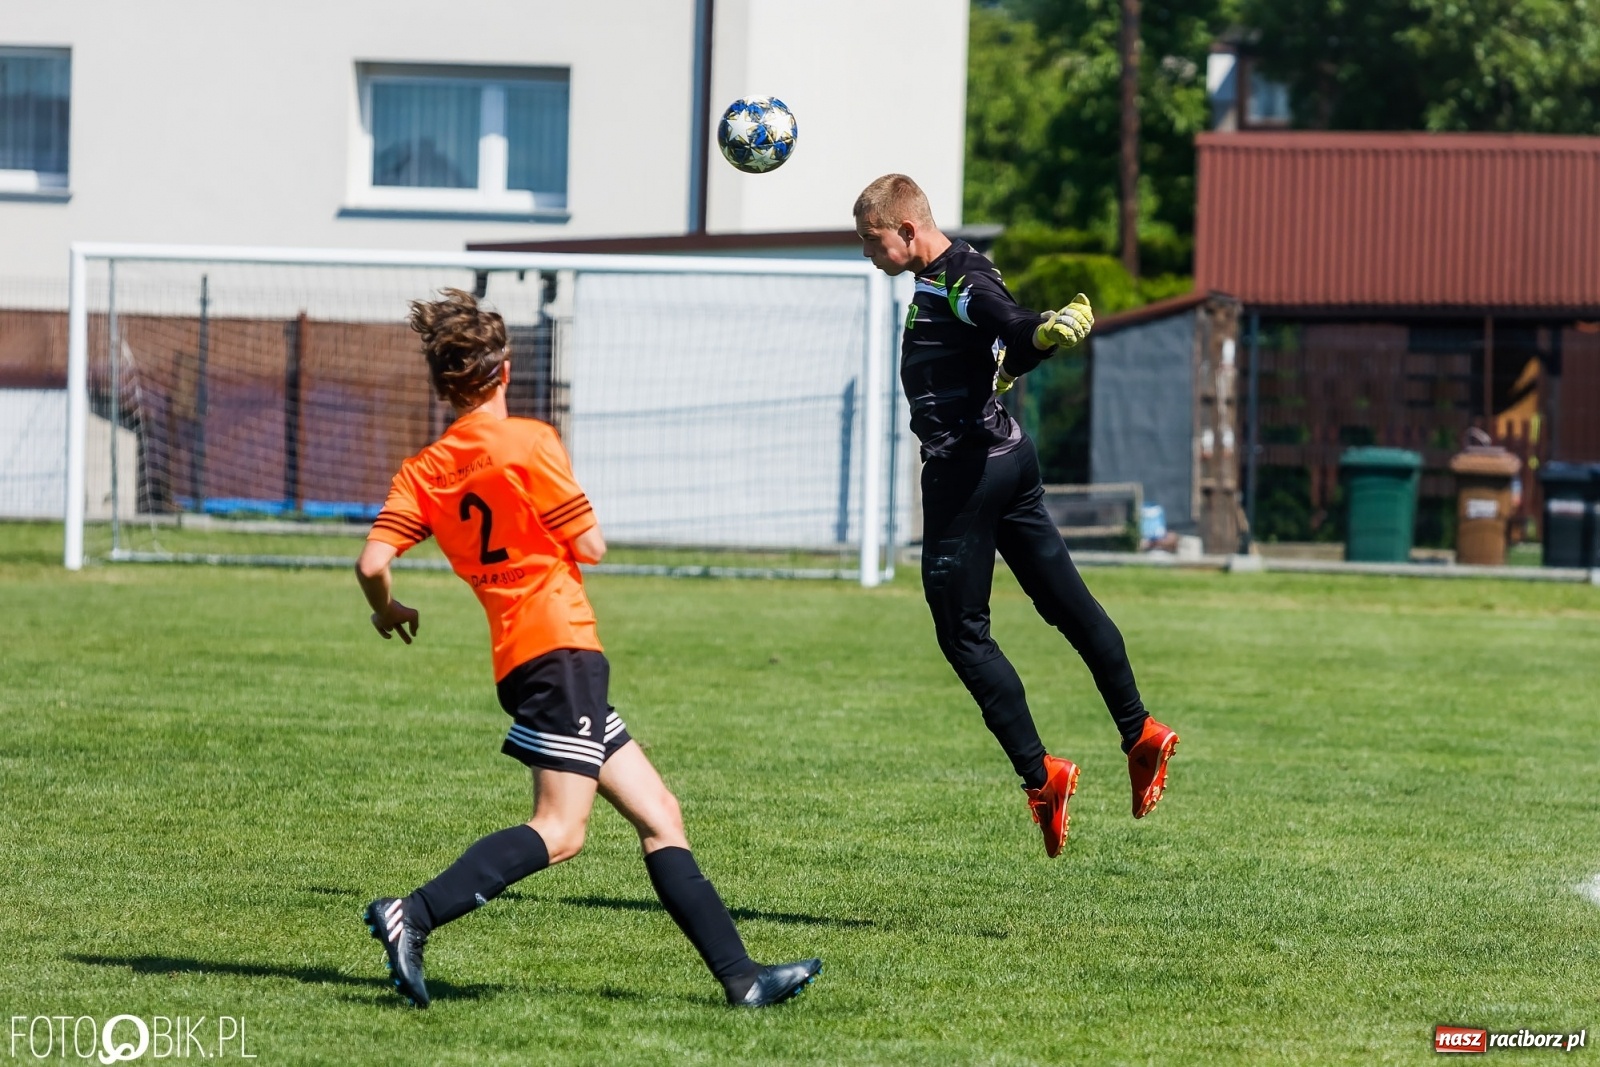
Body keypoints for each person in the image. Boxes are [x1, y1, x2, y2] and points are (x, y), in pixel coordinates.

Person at [356, 289, 820, 1008]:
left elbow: (371, 563)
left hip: (525, 658)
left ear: (446, 384)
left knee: (660, 812)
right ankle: (409, 913)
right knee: (561, 829)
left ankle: (744, 979)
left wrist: (390, 610)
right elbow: (592, 545)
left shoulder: (424, 471)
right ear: (503, 372)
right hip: (562, 651)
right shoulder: (531, 441)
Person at [852, 174, 1179, 858]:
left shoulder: (958, 282)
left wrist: (1040, 328)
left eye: (872, 241)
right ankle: (1139, 729)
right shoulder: (963, 265)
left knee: (963, 634)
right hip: (1008, 456)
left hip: (967, 472)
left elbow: (1009, 323)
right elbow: (1015, 345)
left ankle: (1043, 777)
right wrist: (1037, 340)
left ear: (907, 231)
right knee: (1064, 599)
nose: (869, 254)